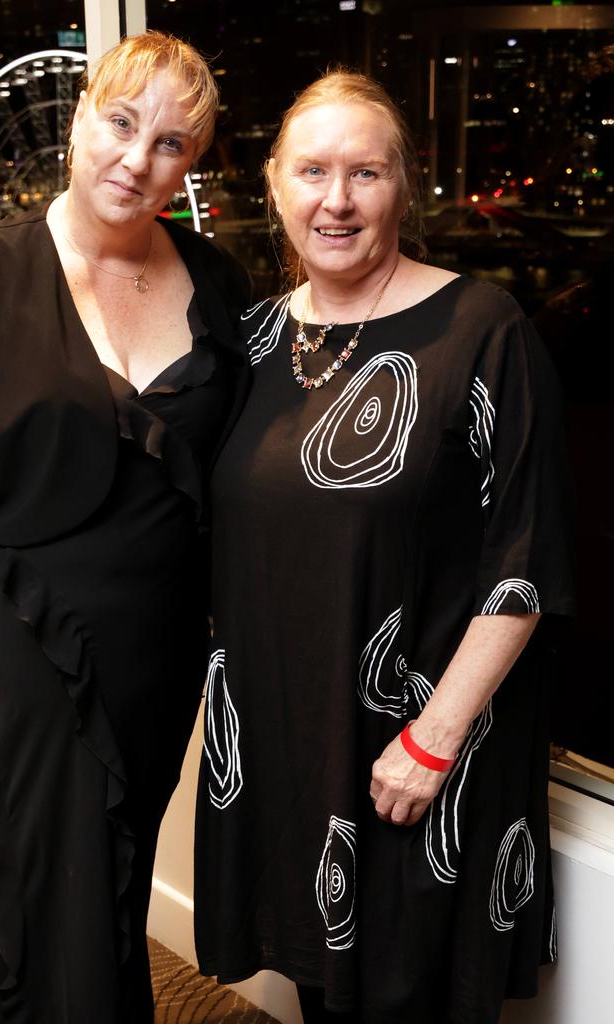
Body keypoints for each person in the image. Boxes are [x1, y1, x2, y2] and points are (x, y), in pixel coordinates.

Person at [0, 31, 250, 1024]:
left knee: (112, 891)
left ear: (195, 161)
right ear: (81, 113)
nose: (137, 160)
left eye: (172, 143)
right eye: (121, 123)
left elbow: (248, 464)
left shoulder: (218, 279)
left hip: (159, 656)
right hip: (19, 650)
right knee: (23, 895)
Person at [194, 70, 573, 1024]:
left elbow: (526, 559)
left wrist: (433, 741)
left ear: (404, 188)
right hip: (291, 747)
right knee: (322, 993)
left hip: (415, 753)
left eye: (365, 173)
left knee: (413, 997)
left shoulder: (483, 330)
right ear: (273, 184)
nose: (336, 200)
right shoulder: (246, 342)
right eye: (312, 171)